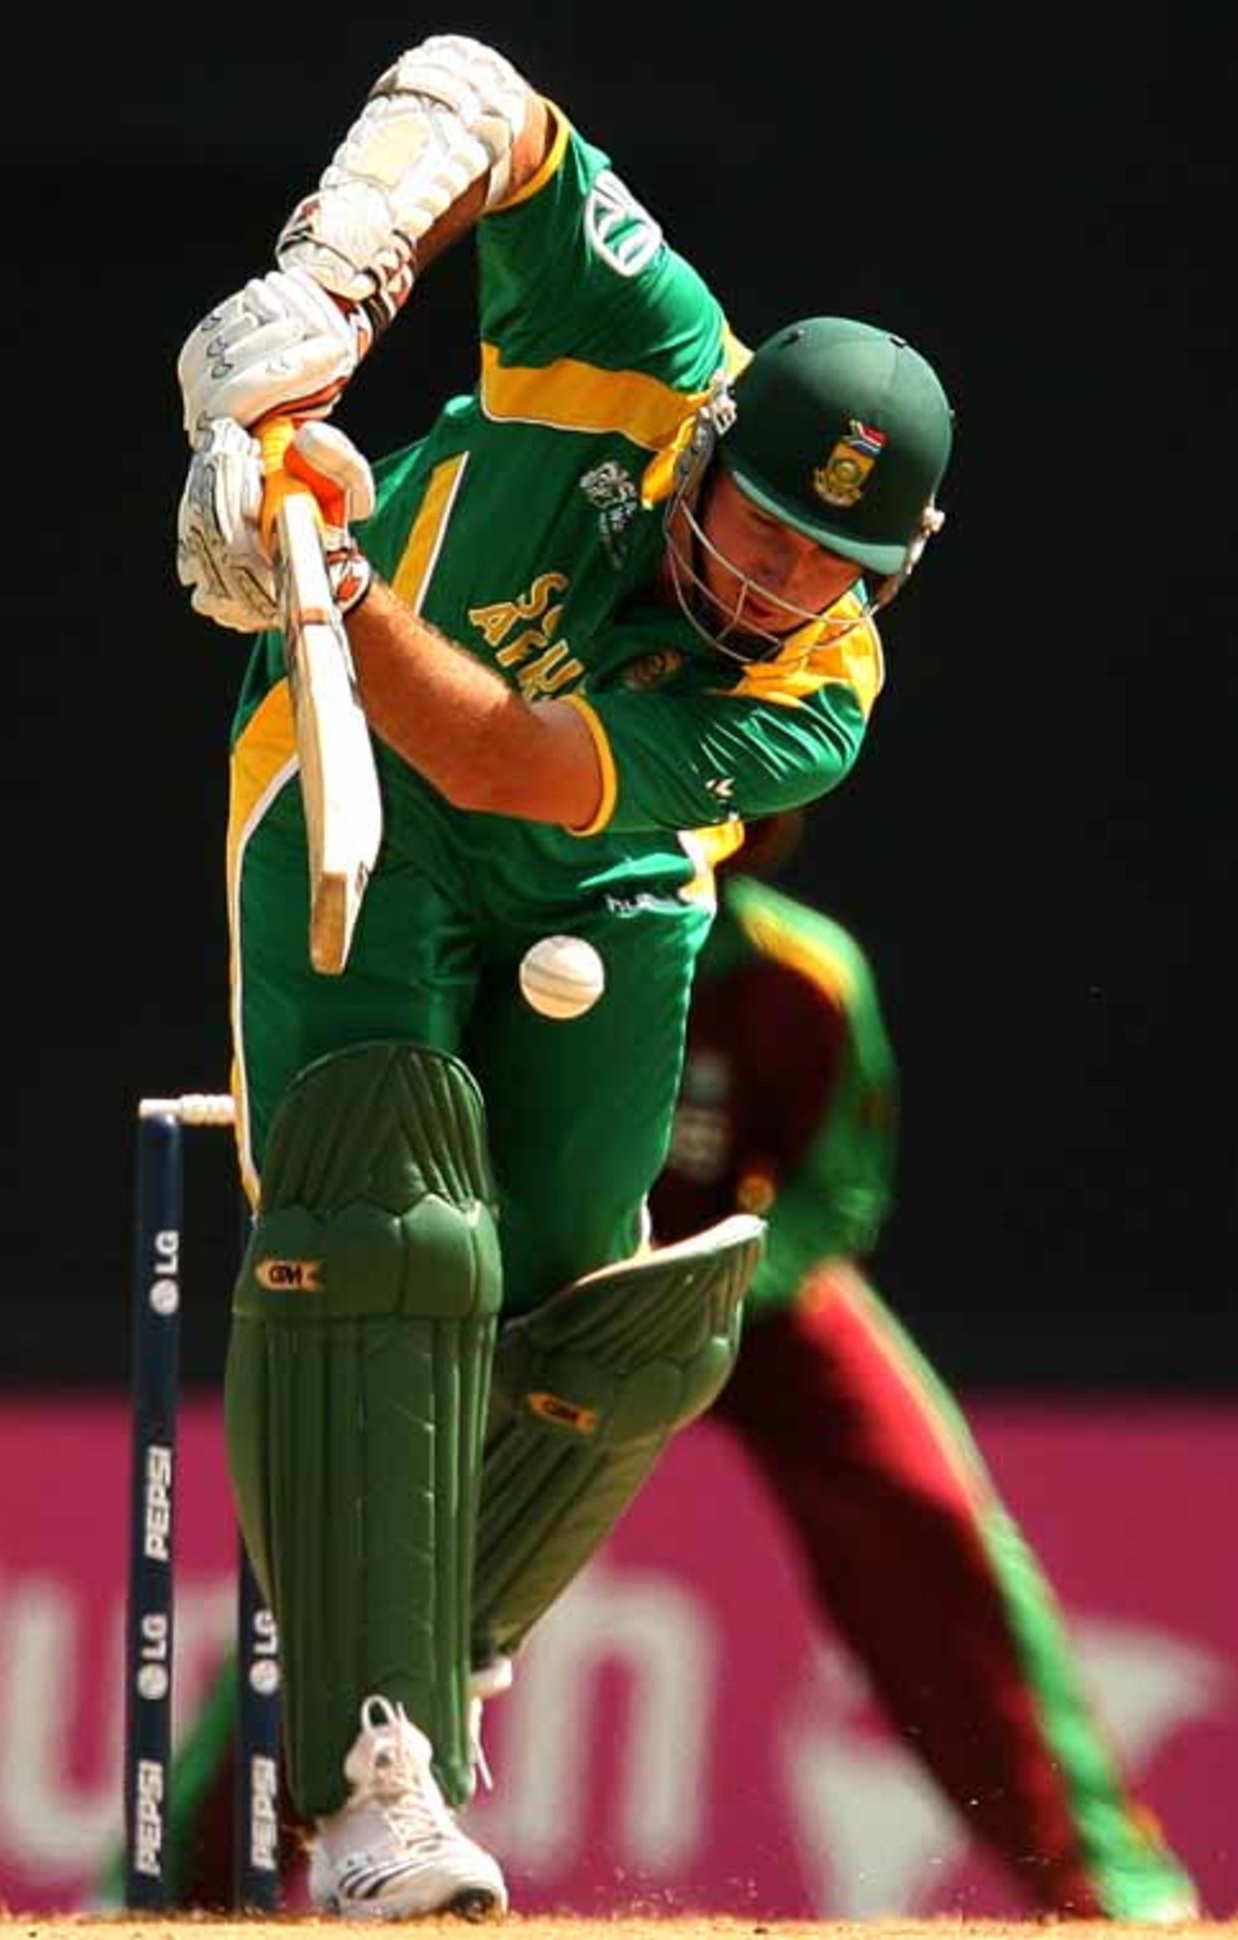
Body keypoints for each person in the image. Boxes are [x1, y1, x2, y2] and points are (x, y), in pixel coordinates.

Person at [171, 29, 954, 1922]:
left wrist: (335, 576)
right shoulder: (654, 345)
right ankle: (374, 1791)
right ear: (711, 439)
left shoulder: (817, 692)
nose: (771, 589)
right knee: (393, 1224)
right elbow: (477, 89)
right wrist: (328, 291)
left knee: (617, 1314)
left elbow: (521, 764)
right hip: (348, 782)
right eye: (764, 527)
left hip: (561, 830)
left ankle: (452, 1649)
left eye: (827, 567)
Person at [100, 815, 1200, 1923]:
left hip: (743, 1295)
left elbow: (837, 1194)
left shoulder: (794, 971)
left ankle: (1108, 1886)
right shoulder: (503, 939)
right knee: (359, 1561)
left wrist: (698, 1297)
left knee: (924, 1508)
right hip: (539, 1290)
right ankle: (179, 1891)